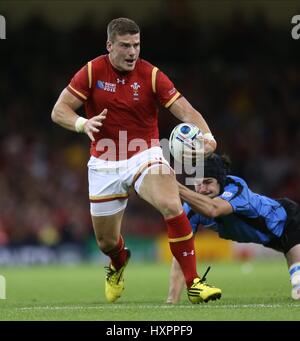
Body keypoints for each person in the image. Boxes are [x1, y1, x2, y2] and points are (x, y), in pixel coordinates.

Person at [51, 17, 221, 304]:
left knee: (170, 203)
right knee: (106, 242)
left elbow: (185, 109)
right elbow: (59, 110)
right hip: (104, 162)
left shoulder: (152, 75)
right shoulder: (92, 71)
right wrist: (82, 124)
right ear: (110, 45)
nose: (132, 52)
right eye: (125, 46)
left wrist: (209, 137)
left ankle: (193, 283)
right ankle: (118, 263)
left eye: (137, 45)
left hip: (146, 153)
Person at [166, 154, 300, 303]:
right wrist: (172, 299)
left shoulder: (236, 187)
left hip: (288, 220)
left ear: (221, 182)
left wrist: (176, 187)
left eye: (208, 182)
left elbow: (213, 209)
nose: (202, 189)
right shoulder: (191, 209)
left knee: (298, 282)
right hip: (271, 238)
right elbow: (181, 254)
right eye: (198, 183)